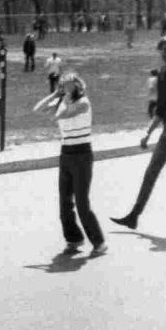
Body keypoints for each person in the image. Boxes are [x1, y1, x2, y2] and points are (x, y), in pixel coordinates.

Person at [112, 36, 166, 236]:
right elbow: (161, 109)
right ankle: (134, 216)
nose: (163, 53)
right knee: (150, 173)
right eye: (162, 50)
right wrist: (148, 133)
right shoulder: (162, 74)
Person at [33, 72, 107, 257]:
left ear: (76, 85)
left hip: (82, 153)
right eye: (62, 84)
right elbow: (37, 109)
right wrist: (55, 95)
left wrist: (59, 111)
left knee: (82, 203)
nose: (64, 86)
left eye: (67, 83)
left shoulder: (84, 102)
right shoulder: (61, 101)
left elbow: (69, 113)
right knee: (64, 202)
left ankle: (99, 242)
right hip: (66, 153)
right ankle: (74, 238)